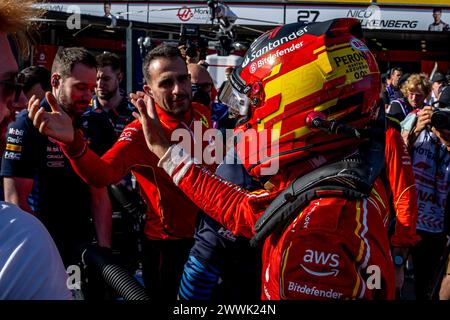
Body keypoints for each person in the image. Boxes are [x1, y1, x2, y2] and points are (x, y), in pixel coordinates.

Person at [135, 19, 397, 299]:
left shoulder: (315, 232)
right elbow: (246, 211)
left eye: (254, 105)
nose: (244, 122)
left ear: (296, 102)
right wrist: (165, 151)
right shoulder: (335, 174)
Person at [27, 44, 212, 300]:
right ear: (149, 90)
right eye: (166, 83)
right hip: (168, 249)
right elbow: (102, 175)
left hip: (210, 239)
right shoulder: (140, 132)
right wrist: (73, 143)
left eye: (183, 79)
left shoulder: (202, 114)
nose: (178, 90)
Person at [1, 47, 112, 269]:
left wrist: (104, 253)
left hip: (84, 246)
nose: (88, 96)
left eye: (91, 88)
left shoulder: (95, 124)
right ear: (56, 81)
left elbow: (100, 193)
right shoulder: (27, 124)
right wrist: (42, 253)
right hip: (39, 246)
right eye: (80, 87)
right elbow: (16, 200)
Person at [0, 0, 71, 299]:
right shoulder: (19, 241)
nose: (15, 101)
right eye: (6, 85)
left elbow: (100, 188)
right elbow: (16, 195)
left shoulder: (92, 122)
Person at [400, 86, 450, 299]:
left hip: (438, 225)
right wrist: (415, 129)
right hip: (407, 218)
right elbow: (396, 152)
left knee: (425, 282)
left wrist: (447, 141)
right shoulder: (415, 119)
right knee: (392, 277)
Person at [92, 52, 135, 137]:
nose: (99, 84)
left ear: (119, 78)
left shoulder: (134, 111)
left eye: (106, 79)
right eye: (96, 78)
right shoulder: (83, 108)